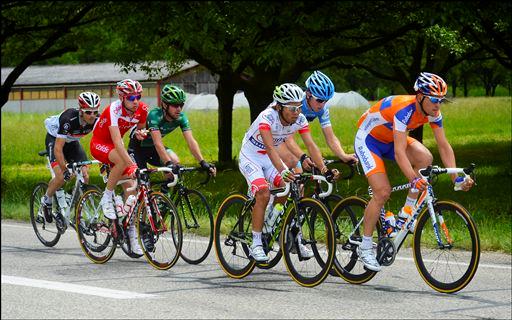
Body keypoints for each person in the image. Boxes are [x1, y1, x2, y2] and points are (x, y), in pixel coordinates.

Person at [354, 72, 475, 271]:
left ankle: (406, 213)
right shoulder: (404, 110)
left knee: (425, 159)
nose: (438, 105)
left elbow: (443, 146)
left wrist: (456, 178)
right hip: (369, 140)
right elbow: (399, 152)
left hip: (391, 138)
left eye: (441, 100)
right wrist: (413, 179)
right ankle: (365, 247)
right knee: (382, 192)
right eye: (434, 100)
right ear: (420, 97)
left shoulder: (434, 113)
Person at [239, 83, 339, 262]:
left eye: (299, 107)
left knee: (289, 186)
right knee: (263, 192)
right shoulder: (267, 117)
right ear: (279, 107)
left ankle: (270, 223)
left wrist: (324, 169)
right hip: (251, 156)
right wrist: (284, 170)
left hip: (269, 159)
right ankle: (255, 244)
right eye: (292, 108)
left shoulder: (299, 120)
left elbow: (310, 145)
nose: (297, 112)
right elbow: (270, 148)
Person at [90, 79, 149, 255]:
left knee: (133, 186)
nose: (136, 100)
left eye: (138, 96)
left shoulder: (142, 110)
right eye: (131, 97)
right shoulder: (113, 110)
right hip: (100, 144)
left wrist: (139, 134)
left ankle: (130, 231)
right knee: (124, 162)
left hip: (118, 148)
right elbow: (116, 141)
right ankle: (106, 196)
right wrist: (132, 163)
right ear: (122, 97)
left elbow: (138, 131)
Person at [127, 84, 216, 186]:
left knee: (175, 162)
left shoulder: (181, 118)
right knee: (142, 183)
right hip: (137, 149)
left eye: (181, 105)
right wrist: (168, 163)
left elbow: (191, 141)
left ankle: (164, 197)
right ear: (165, 105)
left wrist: (202, 162)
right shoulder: (155, 116)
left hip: (153, 149)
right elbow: (158, 143)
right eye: (175, 105)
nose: (179, 109)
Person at [41, 92, 101, 229]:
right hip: (55, 140)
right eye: (88, 112)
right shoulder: (69, 119)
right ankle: (47, 200)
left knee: (85, 174)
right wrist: (64, 169)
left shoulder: (97, 120)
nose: (92, 115)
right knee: (62, 176)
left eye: (95, 112)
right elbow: (58, 148)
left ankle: (76, 208)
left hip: (73, 142)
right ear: (81, 110)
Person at [277, 71, 358, 171]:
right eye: (319, 100)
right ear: (308, 94)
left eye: (326, 100)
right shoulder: (296, 103)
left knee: (298, 178)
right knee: (292, 161)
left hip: (282, 135)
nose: (322, 104)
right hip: (271, 134)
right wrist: (303, 157)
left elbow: (330, 138)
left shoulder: (322, 110)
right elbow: (288, 139)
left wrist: (343, 155)